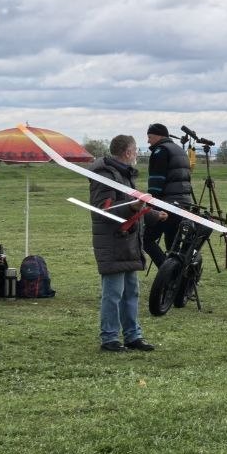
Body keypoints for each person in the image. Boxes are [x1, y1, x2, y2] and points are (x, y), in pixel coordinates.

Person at [90, 135, 161, 352]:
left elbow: (134, 206)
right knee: (113, 293)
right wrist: (134, 207)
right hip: (112, 242)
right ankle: (109, 338)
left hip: (129, 242)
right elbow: (104, 209)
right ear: (128, 152)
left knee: (132, 292)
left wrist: (154, 215)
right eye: (135, 150)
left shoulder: (124, 174)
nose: (137, 154)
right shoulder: (105, 175)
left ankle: (133, 336)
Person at [143, 123, 194, 269]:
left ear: (159, 136)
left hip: (167, 204)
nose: (148, 141)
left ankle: (167, 271)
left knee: (146, 239)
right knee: (173, 243)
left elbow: (156, 182)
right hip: (183, 203)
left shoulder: (160, 151)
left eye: (150, 137)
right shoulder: (179, 150)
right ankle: (178, 274)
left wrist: (151, 206)